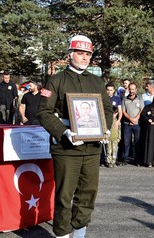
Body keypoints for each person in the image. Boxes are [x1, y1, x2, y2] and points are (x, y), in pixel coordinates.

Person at [37, 35, 112, 238]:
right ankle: (62, 234)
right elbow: (44, 112)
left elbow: (106, 109)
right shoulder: (56, 80)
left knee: (88, 195)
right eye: (80, 53)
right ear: (70, 55)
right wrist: (64, 133)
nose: (85, 57)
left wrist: (105, 128)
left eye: (88, 54)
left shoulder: (97, 82)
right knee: (64, 196)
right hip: (66, 148)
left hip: (92, 147)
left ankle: (79, 234)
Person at [138, 94, 154, 167]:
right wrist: (148, 120)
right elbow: (143, 115)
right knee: (149, 144)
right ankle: (148, 161)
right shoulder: (148, 107)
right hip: (148, 128)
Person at [121, 83, 143, 165]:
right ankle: (126, 158)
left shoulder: (140, 98)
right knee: (126, 142)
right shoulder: (124, 99)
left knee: (137, 142)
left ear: (136, 90)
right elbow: (123, 111)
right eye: (130, 89)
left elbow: (141, 110)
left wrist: (135, 119)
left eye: (133, 89)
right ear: (128, 89)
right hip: (127, 123)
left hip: (137, 124)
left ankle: (136, 159)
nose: (131, 91)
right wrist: (130, 119)